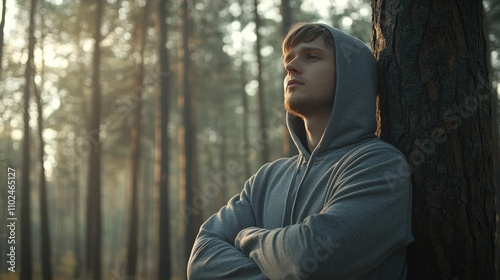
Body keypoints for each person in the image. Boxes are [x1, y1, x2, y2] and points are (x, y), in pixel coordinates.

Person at [187, 22, 414, 279]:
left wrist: (247, 237)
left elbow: (312, 258)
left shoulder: (379, 165)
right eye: (289, 59)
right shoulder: (266, 179)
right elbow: (202, 261)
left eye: (312, 57)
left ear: (350, 76)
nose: (291, 66)